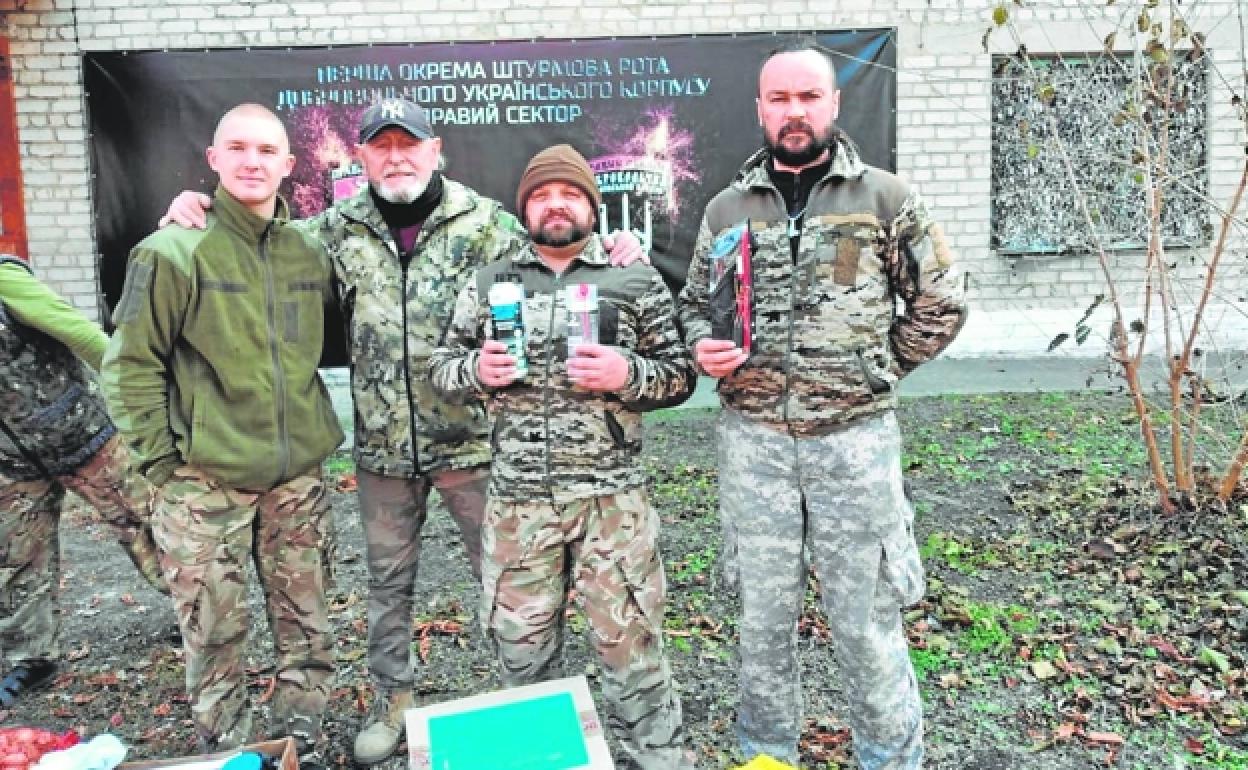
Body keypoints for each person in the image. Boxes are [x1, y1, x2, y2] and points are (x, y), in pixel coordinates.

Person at [161, 98, 644, 764]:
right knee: (388, 588)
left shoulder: (485, 225)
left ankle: (526, 704)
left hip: (476, 444)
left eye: (408, 145)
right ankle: (396, 701)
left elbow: (558, 249)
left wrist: (615, 245)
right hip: (384, 451)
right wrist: (199, 209)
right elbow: (258, 237)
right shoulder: (331, 230)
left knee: (510, 584)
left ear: (435, 147)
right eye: (380, 146)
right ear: (359, 157)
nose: (395, 158)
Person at [677, 43, 968, 770]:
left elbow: (942, 299)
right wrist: (700, 347)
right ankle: (767, 755)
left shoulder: (886, 199)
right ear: (760, 110)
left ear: (834, 104)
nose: (795, 112)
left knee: (868, 619)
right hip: (756, 448)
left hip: (853, 445)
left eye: (809, 97)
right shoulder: (726, 208)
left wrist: (878, 367)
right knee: (760, 621)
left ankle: (890, 757)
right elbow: (690, 309)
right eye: (780, 99)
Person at [429, 145, 697, 770]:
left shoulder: (632, 277)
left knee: (629, 644)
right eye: (542, 195)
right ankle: (540, 757)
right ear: (525, 209)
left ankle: (655, 757)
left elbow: (680, 375)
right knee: (520, 648)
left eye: (570, 194)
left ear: (591, 207)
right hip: (518, 503)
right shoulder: (490, 280)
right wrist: (478, 368)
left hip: (611, 502)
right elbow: (441, 370)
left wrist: (627, 371)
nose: (556, 204)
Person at [102, 104, 343, 767]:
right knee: (214, 628)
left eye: (267, 151)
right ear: (212, 161)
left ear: (289, 166)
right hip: (205, 483)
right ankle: (232, 748)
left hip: (296, 479)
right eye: (236, 148)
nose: (251, 161)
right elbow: (128, 367)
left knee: (306, 616)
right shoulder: (173, 250)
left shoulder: (309, 250)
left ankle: (304, 729)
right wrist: (163, 465)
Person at [0, 257, 167, 709]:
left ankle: (200, 618)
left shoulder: (4, 279)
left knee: (148, 526)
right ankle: (32, 658)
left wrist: (138, 398)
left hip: (83, 434)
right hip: (13, 463)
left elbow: (82, 333)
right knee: (18, 559)